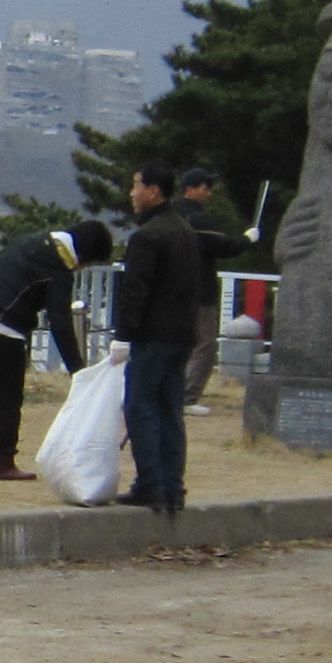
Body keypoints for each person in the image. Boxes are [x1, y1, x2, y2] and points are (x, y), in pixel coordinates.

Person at [0, 218, 114, 480]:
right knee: (7, 399)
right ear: (86, 256)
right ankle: (1, 461)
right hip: (6, 329)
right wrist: (77, 369)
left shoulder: (31, 240)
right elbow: (60, 323)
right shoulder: (58, 268)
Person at [112, 164, 212, 518]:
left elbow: (135, 291)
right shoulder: (185, 230)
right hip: (182, 335)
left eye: (136, 185)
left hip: (152, 336)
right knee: (171, 411)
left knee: (140, 408)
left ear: (153, 190)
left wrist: (123, 336)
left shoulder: (147, 236)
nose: (132, 192)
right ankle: (173, 486)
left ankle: (150, 484)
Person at [176, 163, 250, 407]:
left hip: (171, 290)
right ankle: (187, 397)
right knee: (205, 345)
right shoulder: (197, 218)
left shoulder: (169, 214)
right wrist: (247, 239)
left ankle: (169, 393)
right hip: (198, 291)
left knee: (175, 344)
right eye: (204, 187)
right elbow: (224, 247)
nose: (209, 192)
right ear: (190, 189)